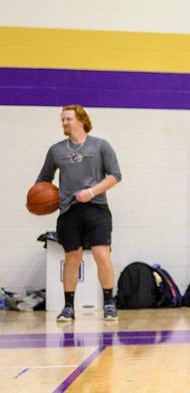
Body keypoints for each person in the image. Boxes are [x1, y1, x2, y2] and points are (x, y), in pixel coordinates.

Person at [35, 105, 122, 324]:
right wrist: (41, 199)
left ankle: (109, 304)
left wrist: (91, 192)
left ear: (81, 120)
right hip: (69, 211)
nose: (63, 123)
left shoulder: (101, 146)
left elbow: (115, 176)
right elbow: (43, 180)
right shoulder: (56, 151)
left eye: (67, 119)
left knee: (102, 255)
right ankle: (68, 307)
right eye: (62, 119)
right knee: (72, 259)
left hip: (97, 209)